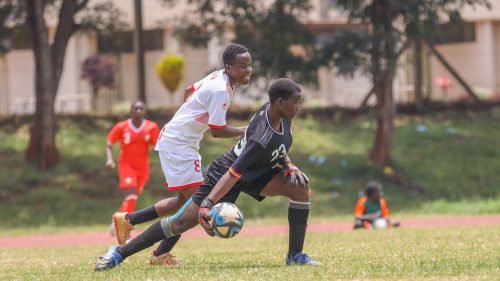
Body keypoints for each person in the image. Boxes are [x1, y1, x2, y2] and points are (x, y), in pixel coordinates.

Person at [95, 78, 321, 271]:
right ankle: (119, 253)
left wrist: (288, 165)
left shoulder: (282, 116)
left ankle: (295, 256)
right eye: (296, 102)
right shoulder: (260, 138)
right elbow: (233, 173)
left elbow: (280, 147)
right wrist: (208, 204)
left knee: (300, 188)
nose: (298, 106)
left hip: (257, 171)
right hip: (225, 174)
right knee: (181, 222)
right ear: (280, 103)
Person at [111, 43, 252, 265]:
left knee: (182, 202)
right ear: (229, 67)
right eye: (242, 66)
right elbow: (217, 131)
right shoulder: (220, 90)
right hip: (178, 144)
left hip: (181, 142)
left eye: (249, 65)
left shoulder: (218, 77)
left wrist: (186, 118)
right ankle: (159, 254)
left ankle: (128, 220)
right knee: (197, 204)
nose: (248, 70)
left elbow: (189, 90)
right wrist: (248, 130)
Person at [105, 100, 160, 235]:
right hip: (126, 166)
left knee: (132, 198)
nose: (139, 111)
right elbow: (109, 142)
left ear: (144, 111)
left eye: (141, 109)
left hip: (143, 168)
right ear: (131, 111)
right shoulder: (121, 126)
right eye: (136, 108)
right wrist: (109, 159)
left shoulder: (151, 127)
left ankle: (116, 220)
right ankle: (125, 227)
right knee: (131, 197)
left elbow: (157, 145)